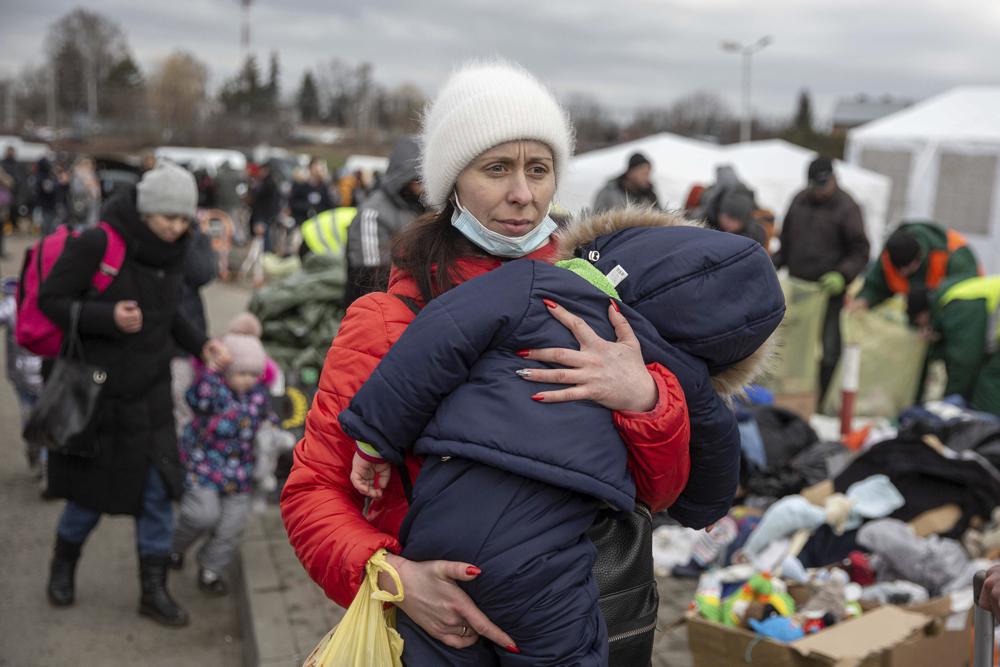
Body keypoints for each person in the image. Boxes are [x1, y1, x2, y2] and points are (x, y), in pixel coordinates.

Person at [280, 61, 741, 666]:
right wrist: (393, 578)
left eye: (538, 169)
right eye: (496, 168)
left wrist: (644, 398)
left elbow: (663, 493)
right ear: (450, 185)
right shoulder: (388, 320)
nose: (522, 194)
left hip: (585, 621)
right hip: (436, 640)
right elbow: (314, 492)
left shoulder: (603, 303)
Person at [342, 207, 783, 664]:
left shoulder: (530, 282)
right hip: (542, 547)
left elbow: (437, 339)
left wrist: (375, 440)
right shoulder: (683, 376)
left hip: (442, 512)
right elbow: (705, 498)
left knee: (437, 651)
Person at [38, 161, 231, 626]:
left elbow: (168, 315)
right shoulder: (100, 243)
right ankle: (62, 567)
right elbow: (52, 300)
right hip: (101, 401)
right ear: (146, 209)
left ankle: (153, 591)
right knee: (88, 499)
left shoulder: (176, 253)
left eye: (184, 219)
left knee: (156, 498)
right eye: (168, 217)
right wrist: (106, 317)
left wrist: (200, 344)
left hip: (152, 399)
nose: (176, 227)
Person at [170, 331, 272, 596]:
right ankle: (175, 547)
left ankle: (210, 569)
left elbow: (266, 424)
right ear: (227, 371)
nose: (248, 381)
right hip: (204, 467)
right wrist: (211, 372)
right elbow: (195, 399)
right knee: (201, 515)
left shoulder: (259, 395)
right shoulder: (212, 389)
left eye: (254, 374)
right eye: (241, 373)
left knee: (231, 527)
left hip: (239, 474)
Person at [772, 156, 870, 398]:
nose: (820, 190)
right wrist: (769, 264)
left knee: (827, 349)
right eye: (816, 185)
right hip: (798, 290)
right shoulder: (799, 201)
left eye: (824, 184)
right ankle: (791, 393)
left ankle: (820, 397)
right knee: (793, 345)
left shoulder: (847, 207)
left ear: (834, 179)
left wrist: (842, 274)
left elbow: (861, 250)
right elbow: (786, 244)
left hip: (828, 293)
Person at [343, 136, 425, 306]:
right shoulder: (373, 213)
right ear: (403, 179)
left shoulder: (423, 207)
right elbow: (369, 279)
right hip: (379, 309)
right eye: (418, 180)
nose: (424, 187)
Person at [908, 275, 1000, 416]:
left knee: (988, 387)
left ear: (923, 314)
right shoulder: (951, 294)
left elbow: (964, 362)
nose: (922, 328)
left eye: (918, 323)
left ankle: (990, 434)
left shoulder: (957, 307)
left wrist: (948, 405)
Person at [849, 221, 981, 312]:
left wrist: (935, 320)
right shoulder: (891, 255)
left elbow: (966, 298)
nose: (902, 274)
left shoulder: (954, 256)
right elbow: (877, 285)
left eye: (907, 270)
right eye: (898, 270)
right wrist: (864, 299)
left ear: (919, 258)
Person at [0, 276, 45, 478]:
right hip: (46, 370)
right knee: (47, 416)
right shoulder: (50, 300)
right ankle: (45, 457)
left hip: (20, 373)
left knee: (28, 413)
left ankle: (35, 449)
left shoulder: (11, 304)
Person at [591, 152, 660, 212]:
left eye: (648, 174)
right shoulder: (608, 193)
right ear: (631, 172)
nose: (646, 178)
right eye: (643, 173)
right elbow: (596, 221)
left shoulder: (650, 195)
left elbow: (662, 219)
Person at [289, 158, 333, 226]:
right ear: (310, 168)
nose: (318, 170)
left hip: (319, 224)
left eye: (320, 168)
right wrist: (307, 207)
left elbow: (329, 205)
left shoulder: (324, 187)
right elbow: (293, 202)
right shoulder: (301, 184)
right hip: (302, 222)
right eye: (316, 167)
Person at [249, 161, 282, 253]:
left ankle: (266, 254)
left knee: (264, 237)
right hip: (265, 213)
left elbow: (257, 195)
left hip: (264, 214)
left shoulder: (268, 183)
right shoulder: (267, 182)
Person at [67, 157, 102, 231]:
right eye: (87, 164)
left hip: (92, 206)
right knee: (81, 226)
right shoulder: (78, 176)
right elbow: (76, 191)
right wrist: (87, 186)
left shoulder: (92, 175)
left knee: (91, 224)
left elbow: (97, 192)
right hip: (82, 205)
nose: (90, 166)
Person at [33, 157, 59, 236]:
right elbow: (48, 189)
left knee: (50, 228)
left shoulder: (46, 176)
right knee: (47, 229)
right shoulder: (42, 177)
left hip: (49, 206)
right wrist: (57, 184)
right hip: (46, 207)